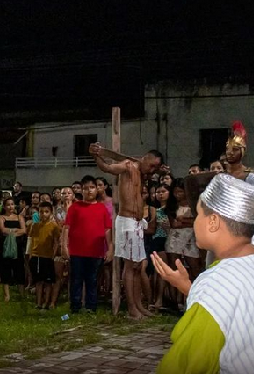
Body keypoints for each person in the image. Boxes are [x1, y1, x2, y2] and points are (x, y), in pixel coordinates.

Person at [153, 174, 254, 373]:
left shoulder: (217, 281)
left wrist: (203, 288)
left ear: (213, 222)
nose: (194, 221)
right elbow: (235, 309)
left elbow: (188, 363)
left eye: (198, 214)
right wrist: (189, 288)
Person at [90, 143, 163, 320]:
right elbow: (107, 167)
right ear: (145, 158)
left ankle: (139, 305)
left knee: (138, 266)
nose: (152, 169)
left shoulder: (142, 172)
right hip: (127, 222)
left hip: (137, 223)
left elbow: (147, 168)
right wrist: (96, 155)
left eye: (155, 167)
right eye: (151, 165)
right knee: (130, 266)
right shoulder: (128, 166)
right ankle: (131, 308)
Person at [62, 175, 113, 313]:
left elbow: (107, 229)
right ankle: (75, 307)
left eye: (92, 187)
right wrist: (64, 246)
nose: (89, 191)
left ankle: (91, 307)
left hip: (95, 251)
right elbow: (66, 228)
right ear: (81, 191)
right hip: (76, 251)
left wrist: (110, 248)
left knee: (92, 280)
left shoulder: (102, 208)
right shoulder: (74, 207)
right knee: (76, 280)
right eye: (86, 188)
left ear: (97, 189)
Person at [165, 179, 200, 311]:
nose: (178, 194)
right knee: (174, 270)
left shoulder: (194, 204)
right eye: (175, 192)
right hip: (175, 240)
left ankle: (195, 297)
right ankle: (175, 302)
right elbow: (174, 224)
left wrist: (183, 220)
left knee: (195, 268)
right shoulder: (172, 207)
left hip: (191, 239)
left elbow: (197, 221)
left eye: (181, 191)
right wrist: (190, 222)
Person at [28, 201, 60, 309]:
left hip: (47, 257)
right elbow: (32, 240)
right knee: (38, 281)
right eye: (41, 212)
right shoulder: (35, 226)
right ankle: (38, 302)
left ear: (51, 213)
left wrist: (53, 254)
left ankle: (47, 302)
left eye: (46, 212)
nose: (44, 214)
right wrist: (31, 254)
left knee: (48, 281)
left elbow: (56, 241)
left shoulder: (54, 226)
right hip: (36, 256)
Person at [0, 197, 26, 302]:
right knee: (5, 269)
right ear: (4, 207)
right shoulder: (0, 218)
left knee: (19, 269)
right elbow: (3, 230)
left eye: (12, 204)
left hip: (17, 246)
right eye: (8, 204)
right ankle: (7, 295)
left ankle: (22, 294)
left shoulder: (19, 217)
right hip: (4, 246)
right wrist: (15, 231)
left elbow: (23, 230)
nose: (10, 207)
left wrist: (11, 232)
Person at [224, 121, 254, 185]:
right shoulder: (221, 175)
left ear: (242, 151)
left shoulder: (250, 176)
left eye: (235, 149)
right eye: (228, 149)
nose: (230, 152)